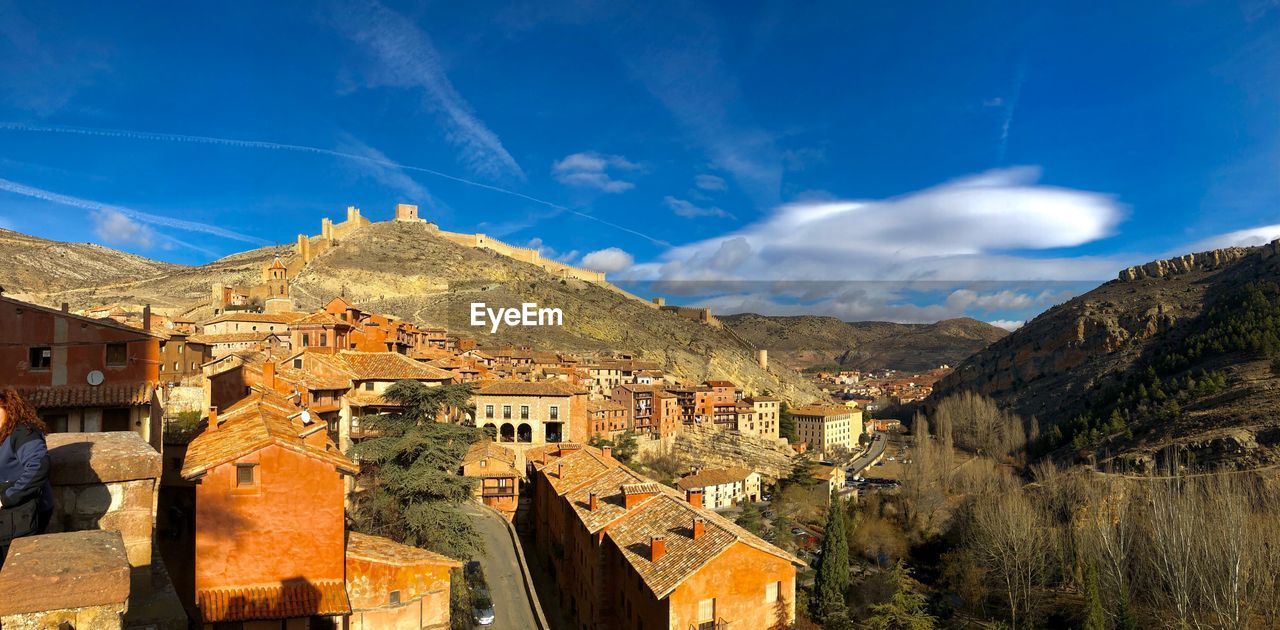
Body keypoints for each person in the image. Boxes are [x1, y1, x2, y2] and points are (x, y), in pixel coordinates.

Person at [0, 389, 53, 566]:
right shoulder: (2, 432)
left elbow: (38, 466)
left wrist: (6, 497)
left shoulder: (23, 432)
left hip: (22, 515)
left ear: (9, 408)